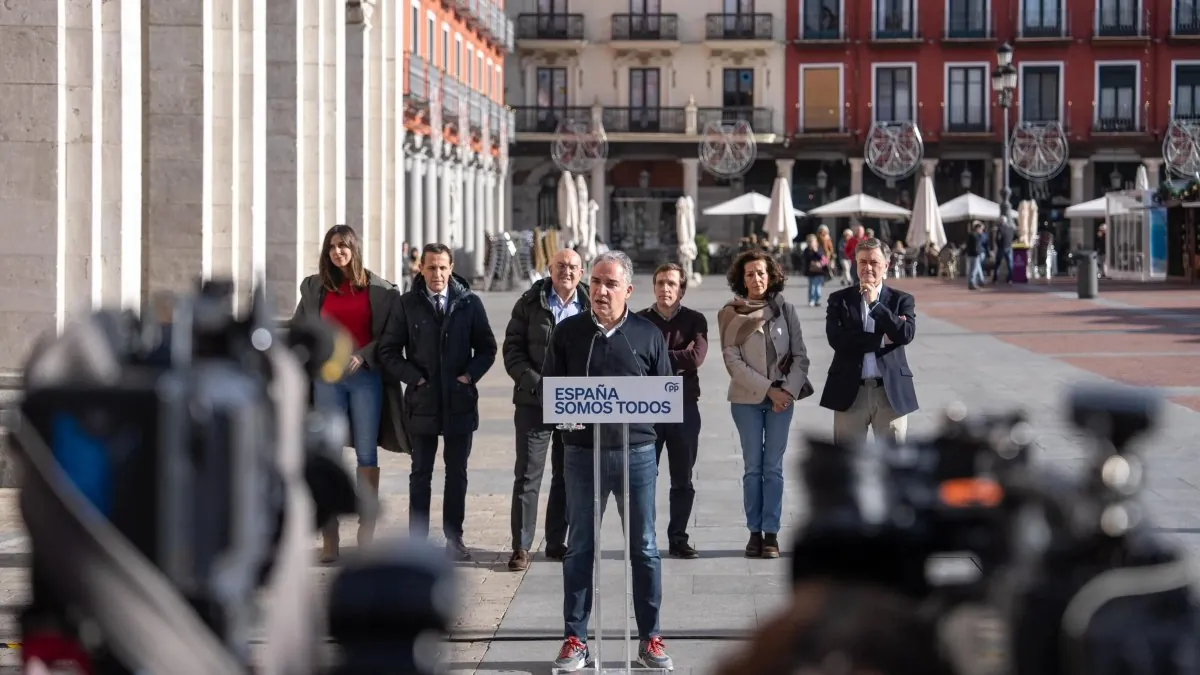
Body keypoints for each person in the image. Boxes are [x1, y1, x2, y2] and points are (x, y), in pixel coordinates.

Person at [543, 250, 674, 672]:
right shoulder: (569, 334)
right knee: (579, 546)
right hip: (582, 455)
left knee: (645, 549)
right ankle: (575, 639)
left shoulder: (648, 334)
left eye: (610, 284)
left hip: (635, 453)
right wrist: (567, 415)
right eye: (595, 282)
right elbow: (551, 390)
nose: (600, 290)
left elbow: (664, 395)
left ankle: (650, 638)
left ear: (628, 290)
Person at [292, 224, 405, 563]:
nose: (338, 252)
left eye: (344, 246)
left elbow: (389, 335)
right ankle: (330, 537)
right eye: (332, 247)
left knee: (367, 454)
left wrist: (364, 355)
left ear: (354, 249)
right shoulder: (315, 288)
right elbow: (303, 328)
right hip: (327, 379)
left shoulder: (381, 291)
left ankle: (365, 533)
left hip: (364, 379)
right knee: (328, 453)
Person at [377, 243, 497, 561]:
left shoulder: (469, 303)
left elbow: (487, 347)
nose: (437, 274)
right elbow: (388, 351)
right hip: (423, 401)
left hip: (459, 401)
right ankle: (417, 541)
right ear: (421, 268)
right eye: (431, 267)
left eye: (443, 267)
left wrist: (469, 376)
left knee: (456, 473)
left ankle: (454, 537)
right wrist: (414, 377)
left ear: (451, 267)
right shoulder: (407, 305)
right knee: (421, 473)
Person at [717, 250, 812, 560]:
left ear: (771, 275)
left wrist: (786, 392)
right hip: (746, 400)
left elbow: (800, 356)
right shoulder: (731, 313)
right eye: (749, 274)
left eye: (761, 272)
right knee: (753, 468)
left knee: (773, 468)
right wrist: (769, 389)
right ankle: (753, 533)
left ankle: (771, 533)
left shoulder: (786, 310)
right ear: (741, 280)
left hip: (782, 401)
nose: (756, 278)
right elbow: (732, 361)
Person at [502, 248, 589, 571]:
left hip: (573, 403)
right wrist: (537, 384)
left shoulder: (591, 304)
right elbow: (512, 350)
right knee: (528, 475)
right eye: (561, 266)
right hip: (533, 402)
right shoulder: (529, 302)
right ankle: (521, 547)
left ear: (582, 272)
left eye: (573, 267)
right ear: (549, 269)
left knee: (566, 474)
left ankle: (556, 542)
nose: (567, 271)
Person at [637, 263, 708, 559]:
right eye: (661, 282)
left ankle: (678, 537)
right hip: (646, 409)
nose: (666, 288)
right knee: (643, 477)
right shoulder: (638, 321)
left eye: (672, 283)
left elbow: (696, 357)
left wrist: (656, 358)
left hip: (683, 409)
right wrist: (675, 358)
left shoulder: (695, 320)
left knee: (683, 479)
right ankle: (644, 538)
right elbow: (632, 360)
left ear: (681, 289)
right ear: (653, 286)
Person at [819, 238, 918, 444]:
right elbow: (837, 340)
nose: (868, 268)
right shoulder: (839, 299)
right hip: (850, 393)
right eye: (862, 262)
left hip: (890, 393)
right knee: (847, 465)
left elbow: (905, 334)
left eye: (874, 262)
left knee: (894, 467)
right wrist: (883, 339)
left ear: (886, 265)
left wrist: (875, 304)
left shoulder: (901, 300)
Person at [800, 233, 830, 307]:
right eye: (809, 242)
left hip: (819, 271)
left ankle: (817, 300)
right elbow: (805, 259)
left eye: (812, 242)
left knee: (818, 287)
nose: (811, 243)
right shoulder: (806, 250)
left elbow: (823, 258)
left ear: (815, 242)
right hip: (810, 272)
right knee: (811, 286)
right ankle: (811, 300)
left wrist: (816, 251)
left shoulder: (819, 249)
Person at [965, 221, 987, 290]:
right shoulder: (976, 236)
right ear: (977, 228)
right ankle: (972, 283)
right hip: (975, 254)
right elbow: (977, 245)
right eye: (980, 229)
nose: (981, 230)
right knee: (973, 270)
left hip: (971, 254)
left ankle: (975, 282)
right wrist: (978, 253)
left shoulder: (971, 235)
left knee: (973, 269)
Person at [993, 220, 1015, 284]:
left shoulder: (1000, 229)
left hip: (1002, 248)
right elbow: (1015, 237)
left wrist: (999, 245)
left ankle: (995, 279)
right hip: (1009, 247)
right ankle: (1010, 279)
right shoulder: (1011, 229)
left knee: (997, 264)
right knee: (1010, 264)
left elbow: (997, 238)